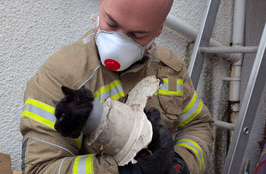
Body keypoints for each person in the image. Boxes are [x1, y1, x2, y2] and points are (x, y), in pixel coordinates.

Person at [20, 0, 214, 173]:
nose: (117, 42)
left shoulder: (169, 69)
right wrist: (118, 170)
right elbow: (41, 168)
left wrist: (181, 165)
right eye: (111, 23)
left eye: (137, 34)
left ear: (158, 31)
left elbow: (198, 125)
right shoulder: (61, 77)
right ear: (101, 5)